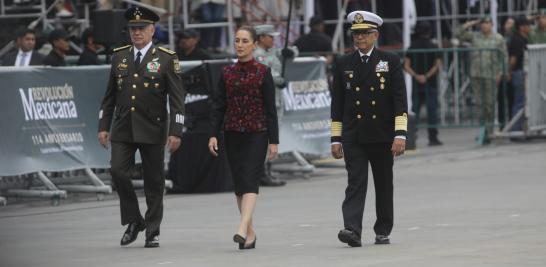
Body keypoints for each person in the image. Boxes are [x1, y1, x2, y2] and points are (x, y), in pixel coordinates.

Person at [97, 6, 186, 248]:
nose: (136, 33)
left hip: (153, 127)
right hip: (123, 126)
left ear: (152, 30)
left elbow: (177, 100)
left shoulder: (166, 58)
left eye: (141, 29)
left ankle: (153, 230)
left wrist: (176, 131)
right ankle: (134, 220)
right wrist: (103, 125)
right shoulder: (120, 56)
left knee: (154, 181)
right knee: (117, 171)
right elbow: (109, 96)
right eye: (132, 29)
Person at [331, 11, 407, 247]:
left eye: (364, 34)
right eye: (355, 34)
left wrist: (400, 134)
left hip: (382, 134)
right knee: (356, 181)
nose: (359, 38)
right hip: (354, 133)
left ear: (375, 35)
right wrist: (336, 137)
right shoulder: (344, 63)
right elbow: (338, 103)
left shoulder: (390, 61)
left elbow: (399, 99)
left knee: (383, 183)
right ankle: (352, 229)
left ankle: (383, 228)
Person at [208, 26, 279, 250]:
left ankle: (240, 227)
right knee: (240, 185)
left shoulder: (263, 72)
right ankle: (249, 234)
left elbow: (271, 110)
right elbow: (219, 106)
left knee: (250, 179)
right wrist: (213, 134)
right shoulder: (226, 72)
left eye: (244, 41)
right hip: (232, 132)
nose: (239, 44)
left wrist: (274, 140)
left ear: (254, 44)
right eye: (237, 40)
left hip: (257, 132)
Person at [254, 24, 297, 187]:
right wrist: (277, 80)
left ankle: (267, 169)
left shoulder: (271, 51)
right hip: (265, 101)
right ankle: (263, 172)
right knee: (266, 137)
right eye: (270, 37)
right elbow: (263, 74)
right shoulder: (257, 54)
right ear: (261, 38)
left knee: (272, 135)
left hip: (276, 99)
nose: (274, 39)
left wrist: (290, 52)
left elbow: (288, 53)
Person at [456, 16, 508, 143]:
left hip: (491, 75)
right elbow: (458, 33)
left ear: (492, 24)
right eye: (483, 23)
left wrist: (500, 73)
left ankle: (489, 131)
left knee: (490, 104)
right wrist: (472, 22)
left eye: (487, 23)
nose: (484, 25)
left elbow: (503, 57)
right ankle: (483, 131)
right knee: (479, 104)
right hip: (476, 74)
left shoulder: (498, 38)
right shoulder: (475, 36)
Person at [403, 21, 443, 146]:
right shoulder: (433, 46)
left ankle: (410, 137)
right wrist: (426, 76)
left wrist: (416, 76)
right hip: (430, 83)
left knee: (415, 111)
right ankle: (433, 138)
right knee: (432, 111)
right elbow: (437, 65)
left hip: (416, 84)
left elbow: (406, 65)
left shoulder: (412, 47)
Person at [508, 17, 531, 132]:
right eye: (527, 25)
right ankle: (516, 130)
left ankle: (519, 128)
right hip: (519, 73)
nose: (529, 28)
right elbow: (513, 59)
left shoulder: (522, 38)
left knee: (522, 102)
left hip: (522, 73)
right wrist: (509, 71)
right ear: (522, 27)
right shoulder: (517, 40)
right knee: (519, 103)